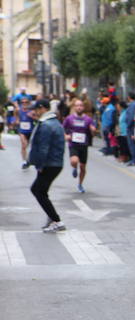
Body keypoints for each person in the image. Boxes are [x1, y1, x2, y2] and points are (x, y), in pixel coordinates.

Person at [28, 99, 67, 233]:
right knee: (39, 190)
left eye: (36, 109)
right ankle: (52, 218)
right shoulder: (55, 122)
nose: (35, 112)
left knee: (38, 191)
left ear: (42, 108)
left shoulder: (46, 125)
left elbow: (44, 147)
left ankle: (57, 221)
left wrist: (40, 165)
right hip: (55, 163)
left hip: (49, 164)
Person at [62, 98, 98, 194]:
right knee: (74, 161)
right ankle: (74, 168)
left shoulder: (88, 119)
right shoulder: (69, 118)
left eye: (81, 105)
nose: (79, 107)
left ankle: (80, 184)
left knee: (82, 167)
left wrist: (93, 130)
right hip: (73, 144)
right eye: (77, 105)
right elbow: (62, 128)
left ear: (83, 107)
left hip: (84, 145)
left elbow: (93, 132)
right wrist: (66, 135)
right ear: (74, 107)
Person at [15, 97, 35, 169]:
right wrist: (17, 120)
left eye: (26, 102)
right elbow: (16, 115)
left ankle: (29, 159)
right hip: (22, 131)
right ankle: (24, 161)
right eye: (23, 102)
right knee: (24, 145)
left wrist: (32, 117)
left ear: (28, 103)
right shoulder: (18, 110)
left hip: (31, 131)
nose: (24, 104)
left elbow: (37, 119)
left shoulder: (32, 111)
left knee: (32, 147)